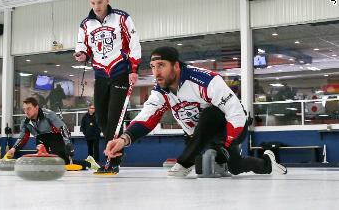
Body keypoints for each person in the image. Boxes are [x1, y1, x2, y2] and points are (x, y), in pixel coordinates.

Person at [105, 46, 287, 177]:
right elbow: (146, 117)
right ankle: (267, 163)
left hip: (230, 128)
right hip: (200, 138)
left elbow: (235, 112)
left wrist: (227, 143)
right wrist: (123, 139)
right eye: (153, 67)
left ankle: (185, 162)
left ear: (176, 66)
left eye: (161, 65)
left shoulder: (205, 81)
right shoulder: (161, 91)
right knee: (235, 167)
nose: (156, 72)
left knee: (210, 113)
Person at [74, 0, 142, 174]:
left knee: (114, 119)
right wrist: (81, 54)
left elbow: (134, 44)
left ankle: (112, 161)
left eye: (100, 2)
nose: (96, 6)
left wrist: (134, 68)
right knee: (101, 118)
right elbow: (83, 46)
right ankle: (116, 152)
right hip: (100, 74)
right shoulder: (86, 24)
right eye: (93, 3)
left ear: (107, 0)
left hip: (120, 70)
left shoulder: (122, 18)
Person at [5, 97, 74, 164]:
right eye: (24, 109)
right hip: (40, 139)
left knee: (61, 160)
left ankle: (79, 163)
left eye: (29, 109)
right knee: (41, 160)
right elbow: (22, 137)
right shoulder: (25, 122)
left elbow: (62, 128)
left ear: (36, 107)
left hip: (55, 137)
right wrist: (13, 149)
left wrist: (68, 143)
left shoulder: (48, 114)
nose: (26, 112)